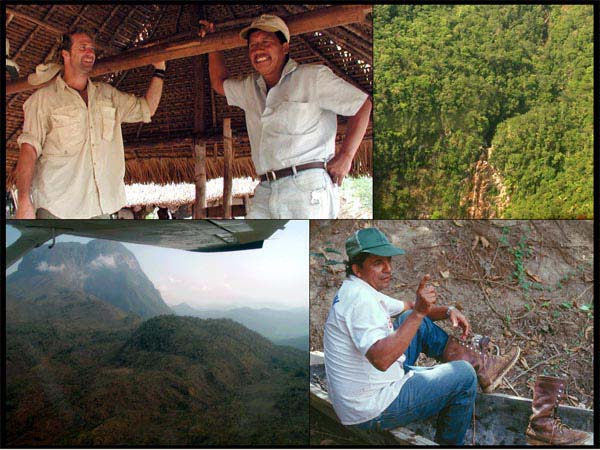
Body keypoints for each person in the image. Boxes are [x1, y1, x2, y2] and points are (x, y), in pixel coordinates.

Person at [323, 227, 521, 445]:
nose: (388, 269)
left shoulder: (360, 290)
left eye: (388, 261)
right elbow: (381, 359)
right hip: (369, 407)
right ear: (357, 269)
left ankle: (482, 367)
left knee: (411, 318)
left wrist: (446, 311)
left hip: (373, 386)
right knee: (464, 376)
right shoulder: (360, 301)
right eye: (378, 263)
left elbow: (409, 307)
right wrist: (418, 313)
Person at [199, 15, 372, 219]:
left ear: (285, 47)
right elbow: (219, 83)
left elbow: (363, 104)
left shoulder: (312, 78)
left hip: (306, 185)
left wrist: (346, 157)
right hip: (265, 188)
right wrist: (211, 43)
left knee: (304, 248)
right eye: (253, 45)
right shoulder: (249, 88)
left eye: (266, 42)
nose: (258, 49)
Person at [15, 27, 166, 219]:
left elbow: (147, 109)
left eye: (92, 48)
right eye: (83, 47)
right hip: (57, 208)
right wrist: (23, 201)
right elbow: (28, 150)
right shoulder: (43, 100)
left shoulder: (108, 95)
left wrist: (159, 71)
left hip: (100, 209)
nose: (90, 52)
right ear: (66, 55)